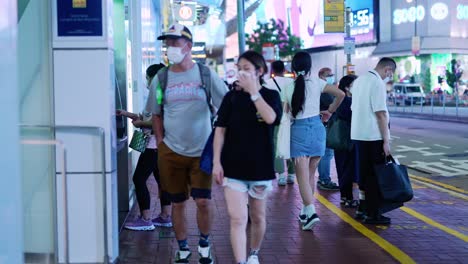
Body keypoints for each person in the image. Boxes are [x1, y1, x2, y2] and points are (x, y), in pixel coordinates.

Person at [145, 24, 228, 263]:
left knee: (203, 201)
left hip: (202, 152)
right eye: (167, 43)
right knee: (177, 202)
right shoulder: (161, 78)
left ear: (188, 46)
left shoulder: (205, 75)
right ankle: (182, 249)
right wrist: (160, 142)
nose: (170, 47)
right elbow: (157, 112)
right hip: (170, 151)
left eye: (175, 42)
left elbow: (225, 107)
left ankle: (204, 244)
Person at [213, 51, 282, 264]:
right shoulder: (231, 97)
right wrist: (216, 162)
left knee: (258, 217)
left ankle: (253, 253)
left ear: (259, 72)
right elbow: (220, 129)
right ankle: (240, 261)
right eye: (239, 67)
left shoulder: (270, 96)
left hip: (260, 168)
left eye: (246, 68)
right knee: (237, 218)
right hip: (232, 167)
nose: (241, 72)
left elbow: (271, 118)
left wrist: (254, 93)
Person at [282, 52, 344, 230]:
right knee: (310, 175)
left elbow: (286, 113)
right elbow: (340, 94)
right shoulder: (319, 83)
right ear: (309, 66)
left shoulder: (288, 87)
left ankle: (310, 211)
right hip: (318, 128)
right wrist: (330, 110)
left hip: (299, 130)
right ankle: (304, 210)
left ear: (293, 67)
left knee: (302, 177)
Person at [120, 63, 172, 231]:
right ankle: (165, 216)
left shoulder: (160, 95)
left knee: (138, 179)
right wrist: (128, 114)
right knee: (161, 181)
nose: (146, 82)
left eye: (148, 78)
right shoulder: (159, 94)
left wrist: (141, 122)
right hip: (156, 144)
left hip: (153, 146)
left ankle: (145, 219)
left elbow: (160, 121)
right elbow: (149, 116)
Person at [350, 57, 396, 225]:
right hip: (373, 135)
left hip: (358, 134)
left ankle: (362, 209)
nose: (389, 77)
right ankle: (373, 213)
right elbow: (381, 114)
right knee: (375, 176)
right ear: (388, 70)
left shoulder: (360, 80)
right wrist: (386, 140)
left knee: (363, 174)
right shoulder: (377, 83)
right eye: (390, 73)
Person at [265, 60, 296, 186]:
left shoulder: (267, 83)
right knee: (290, 144)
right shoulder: (292, 82)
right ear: (284, 70)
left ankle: (281, 175)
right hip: (291, 117)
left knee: (277, 145)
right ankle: (291, 174)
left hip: (275, 118)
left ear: (272, 70)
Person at [333, 74, 359, 207]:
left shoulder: (340, 100)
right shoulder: (348, 101)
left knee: (342, 167)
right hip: (348, 139)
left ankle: (345, 196)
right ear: (348, 87)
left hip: (340, 139)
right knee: (348, 168)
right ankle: (348, 198)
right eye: (355, 85)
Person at [316, 67, 340, 191]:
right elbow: (334, 104)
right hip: (325, 124)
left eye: (332, 75)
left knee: (324, 153)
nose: (331, 77)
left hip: (322, 124)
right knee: (327, 153)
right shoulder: (324, 91)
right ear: (321, 75)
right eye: (328, 75)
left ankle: (323, 178)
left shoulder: (321, 88)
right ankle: (324, 180)